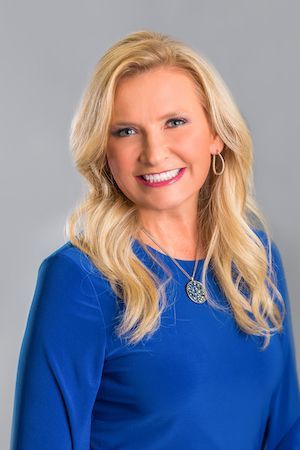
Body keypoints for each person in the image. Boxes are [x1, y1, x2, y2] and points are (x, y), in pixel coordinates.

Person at [10, 30, 300, 450]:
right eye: (126, 131)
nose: (154, 151)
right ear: (104, 152)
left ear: (216, 134)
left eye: (175, 122)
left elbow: (287, 429)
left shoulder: (257, 260)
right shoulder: (81, 279)